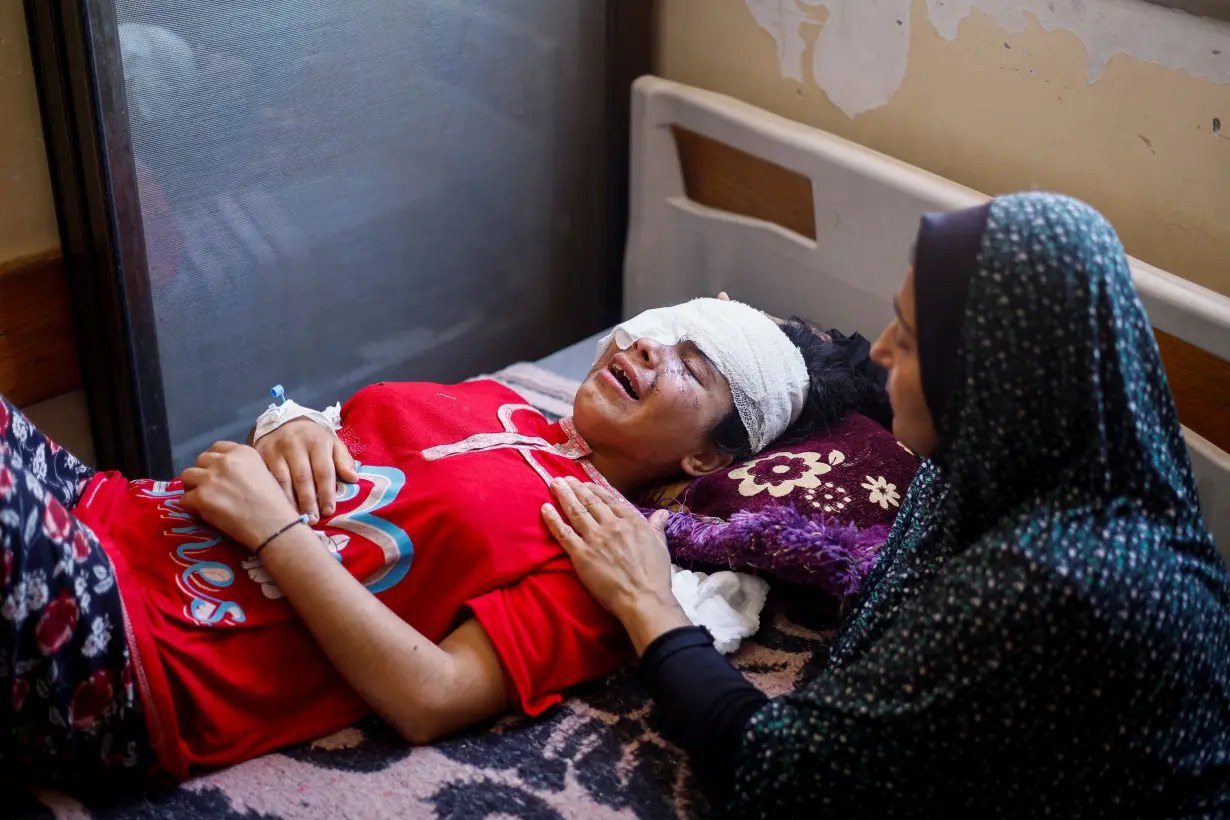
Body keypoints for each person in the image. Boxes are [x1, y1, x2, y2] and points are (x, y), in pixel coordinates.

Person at [542, 193, 1230, 816]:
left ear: (988, 377)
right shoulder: (1006, 458)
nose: (881, 349)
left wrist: (646, 599)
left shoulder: (1054, 582)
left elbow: (782, 775)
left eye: (908, 339)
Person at [0, 298, 875, 787]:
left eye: (692, 365)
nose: (647, 350)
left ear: (704, 456)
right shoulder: (493, 403)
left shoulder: (604, 547)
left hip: (146, 656)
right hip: (107, 505)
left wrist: (275, 532)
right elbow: (325, 457)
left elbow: (430, 696)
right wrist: (288, 430)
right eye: (660, 327)